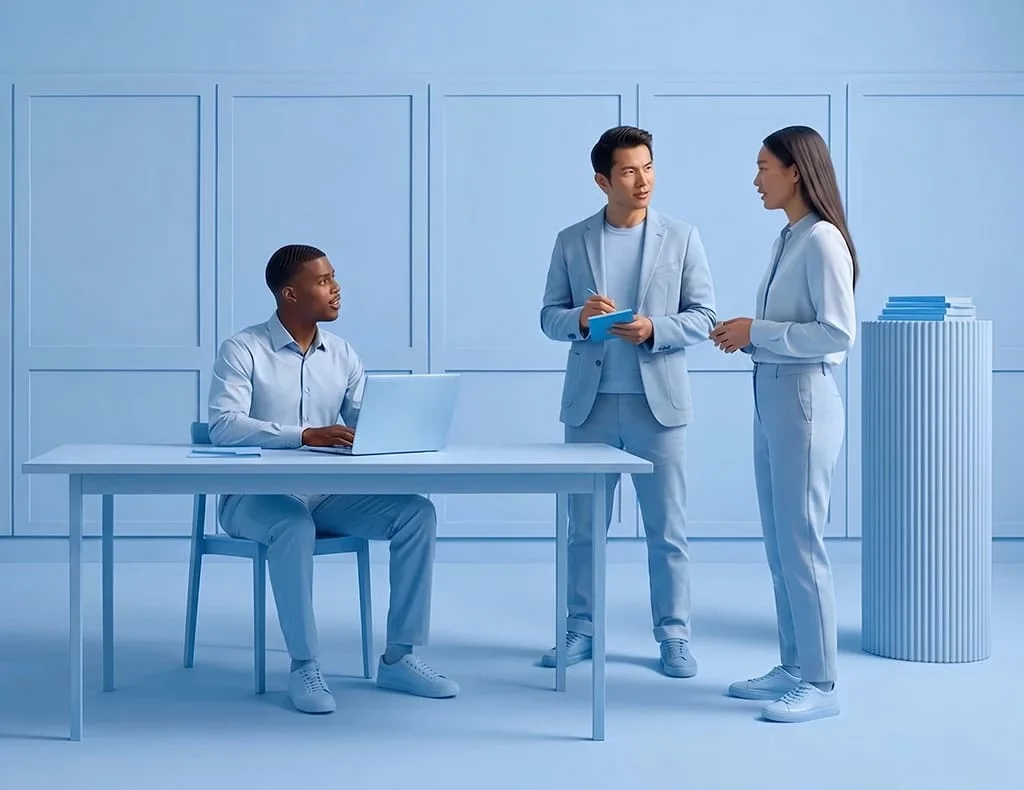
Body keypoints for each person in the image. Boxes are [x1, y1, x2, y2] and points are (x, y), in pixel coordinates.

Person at [207, 243, 459, 715]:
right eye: (322, 281)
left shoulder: (342, 354)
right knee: (292, 525)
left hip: (326, 496)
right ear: (290, 294)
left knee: (416, 513)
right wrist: (304, 434)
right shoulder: (242, 349)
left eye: (333, 277)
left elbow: (366, 421)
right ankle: (304, 664)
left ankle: (400, 657)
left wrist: (401, 426)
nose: (335, 288)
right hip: (253, 498)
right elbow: (224, 425)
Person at [538, 125, 716, 678]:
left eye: (649, 167)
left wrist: (654, 328)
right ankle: (580, 629)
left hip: (657, 406)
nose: (643, 181)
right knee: (584, 528)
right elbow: (548, 316)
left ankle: (674, 635)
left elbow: (705, 317)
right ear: (602, 180)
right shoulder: (571, 240)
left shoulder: (682, 237)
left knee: (668, 528)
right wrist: (581, 320)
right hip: (590, 407)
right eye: (629, 171)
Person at [709, 125, 857, 723]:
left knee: (802, 544)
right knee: (779, 544)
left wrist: (758, 333)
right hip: (771, 396)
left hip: (804, 402)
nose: (755, 179)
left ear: (796, 170)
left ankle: (822, 684)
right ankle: (794, 665)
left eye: (764, 166)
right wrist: (745, 338)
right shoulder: (787, 238)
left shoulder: (822, 239)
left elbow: (838, 335)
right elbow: (787, 330)